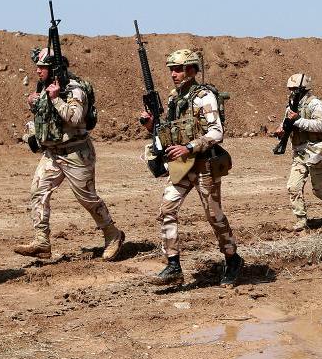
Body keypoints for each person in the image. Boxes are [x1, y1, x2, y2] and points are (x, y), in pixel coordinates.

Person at [141, 49, 242, 286]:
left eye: (178, 69)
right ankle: (173, 265)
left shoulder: (204, 96)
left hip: (205, 163)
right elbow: (171, 130)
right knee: (167, 210)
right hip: (182, 165)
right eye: (171, 70)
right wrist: (151, 126)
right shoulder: (174, 97)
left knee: (214, 216)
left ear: (191, 70)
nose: (173, 75)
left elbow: (217, 132)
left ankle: (232, 258)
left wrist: (188, 147)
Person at [14, 48, 124, 261]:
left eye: (42, 67)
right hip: (53, 153)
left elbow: (74, 118)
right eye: (37, 66)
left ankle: (113, 235)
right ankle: (41, 241)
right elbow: (47, 118)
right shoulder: (45, 87)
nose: (37, 71)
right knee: (38, 191)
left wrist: (55, 98)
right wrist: (35, 103)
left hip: (76, 153)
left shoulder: (74, 89)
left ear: (54, 68)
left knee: (88, 199)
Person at [273, 73, 322, 231]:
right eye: (289, 89)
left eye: (293, 89)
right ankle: (301, 219)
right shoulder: (292, 105)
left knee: (321, 192)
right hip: (299, 153)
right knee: (293, 186)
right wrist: (281, 129)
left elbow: (318, 126)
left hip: (316, 152)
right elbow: (286, 122)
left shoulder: (316, 104)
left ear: (302, 89)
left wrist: (296, 120)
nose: (290, 92)